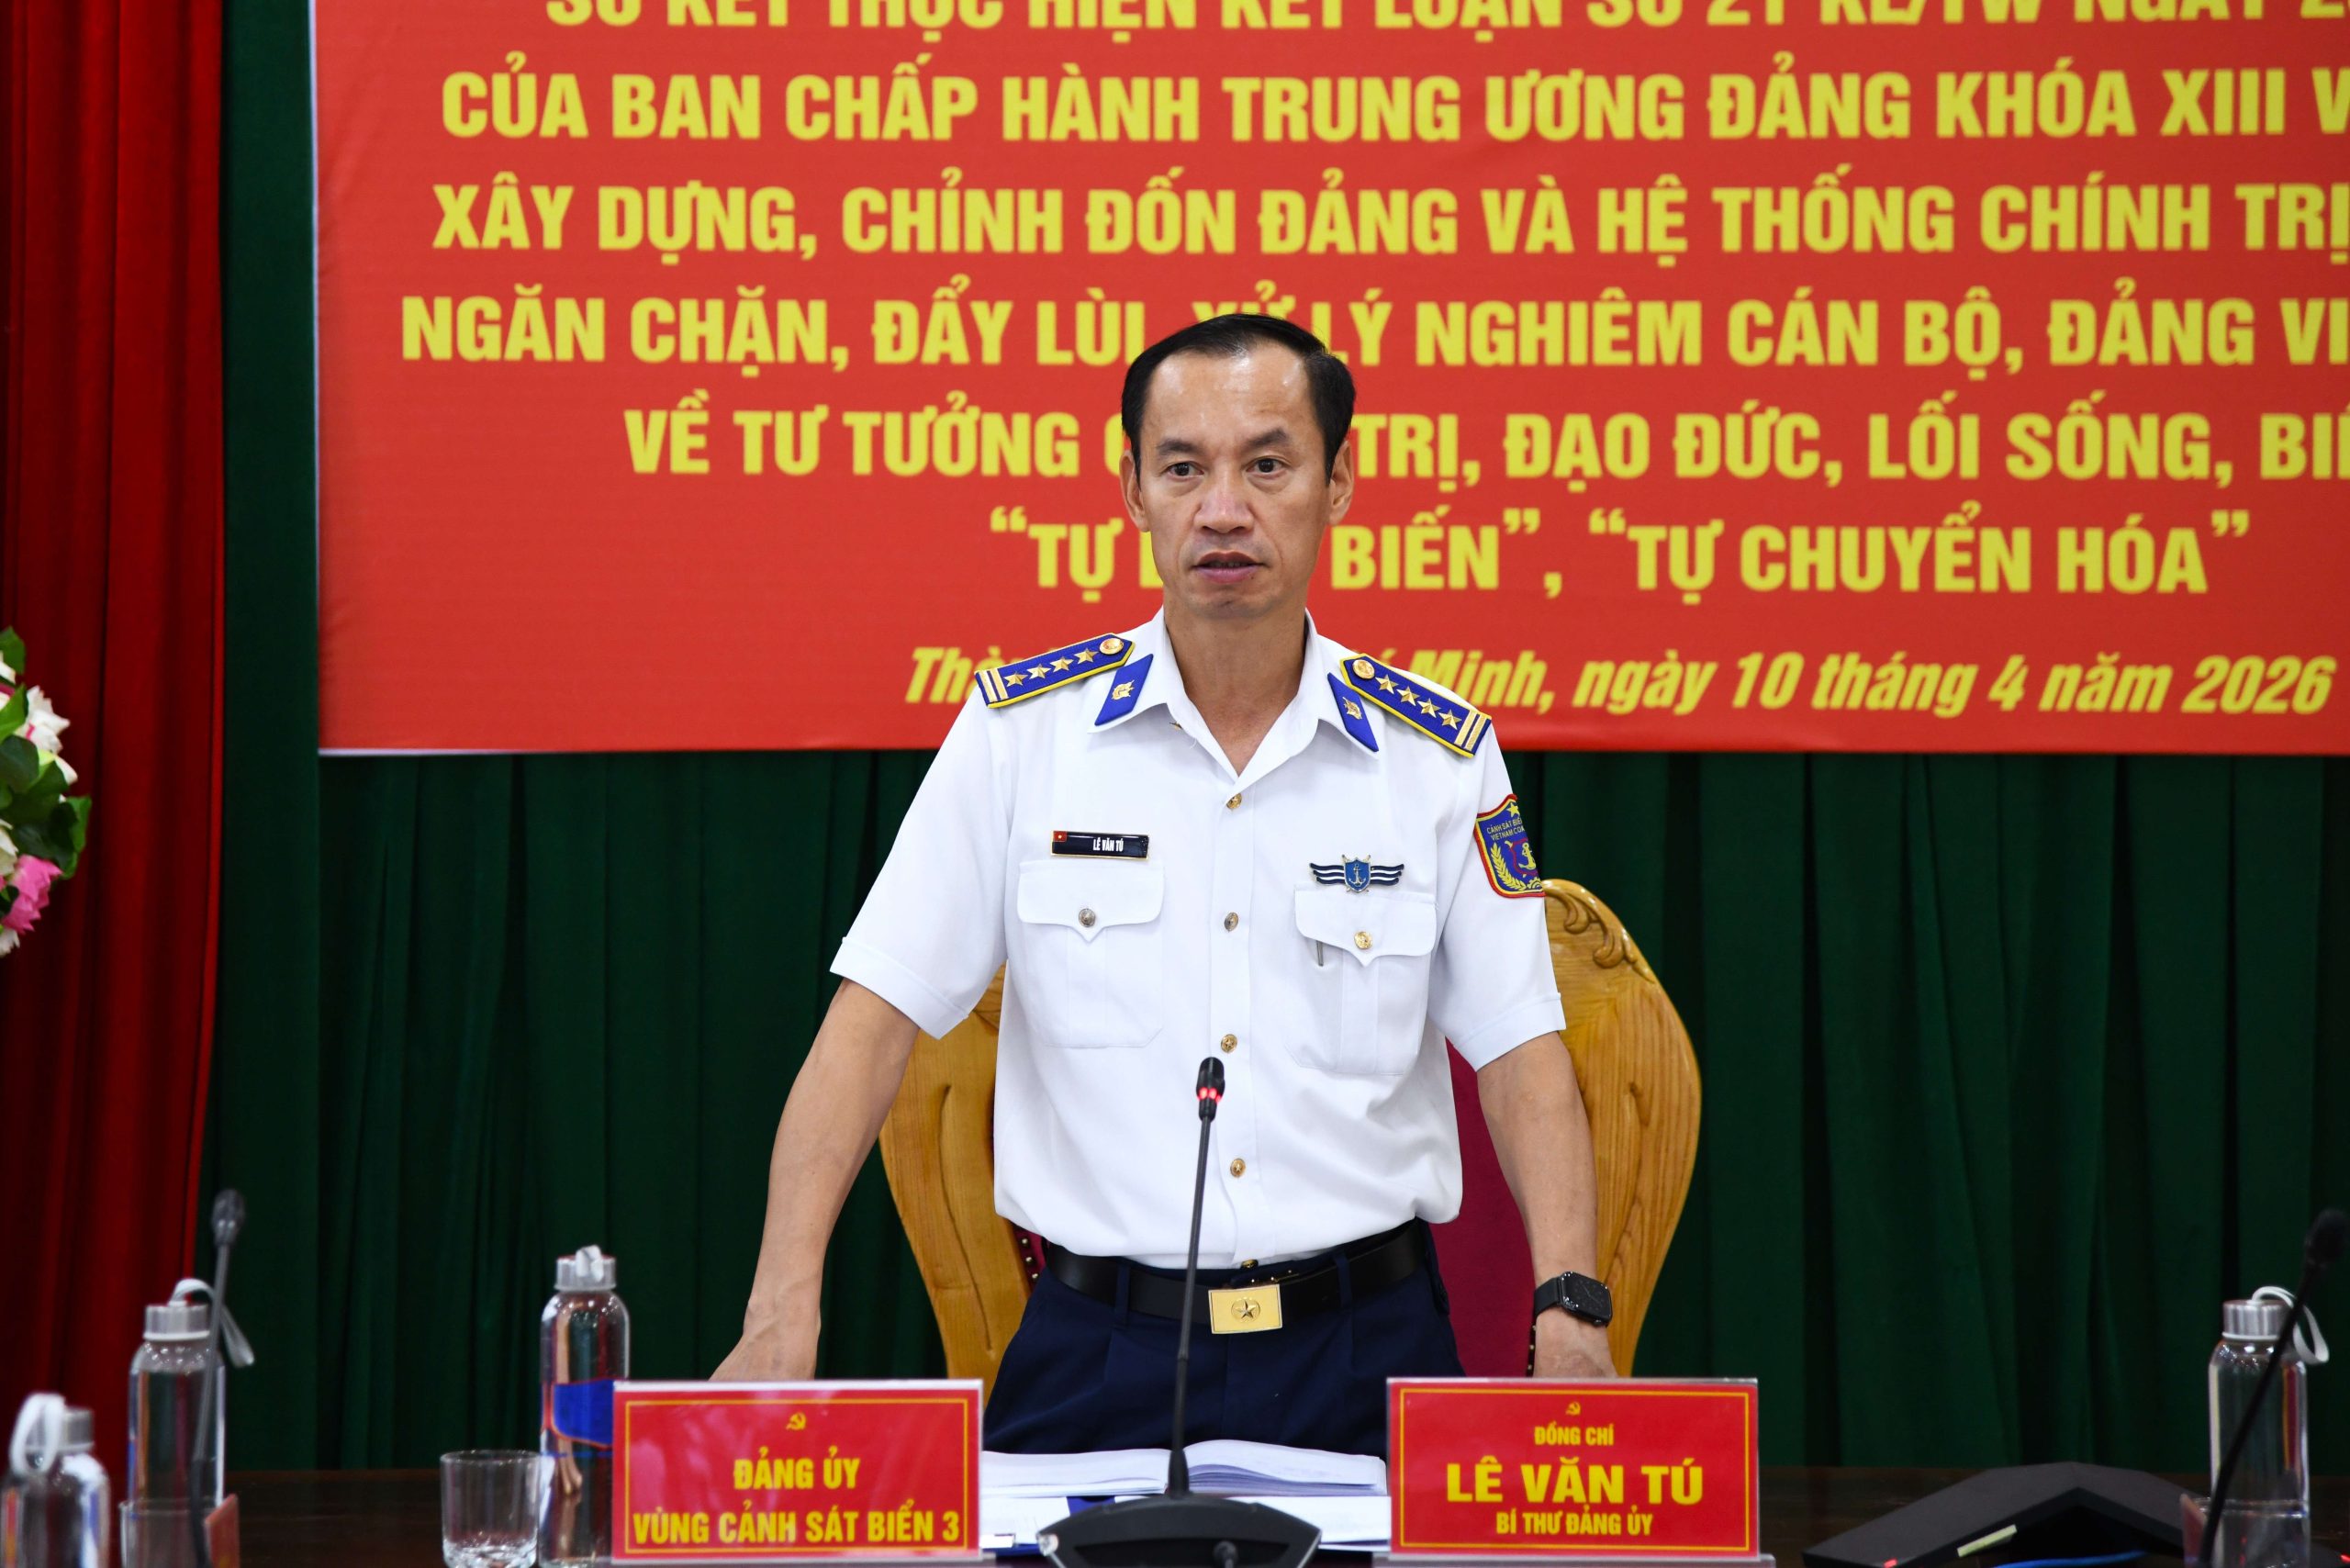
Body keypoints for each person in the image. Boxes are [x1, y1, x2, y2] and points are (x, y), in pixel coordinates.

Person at [713, 314, 1617, 1457]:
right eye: (1183, 468)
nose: (1223, 509)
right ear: (1133, 490)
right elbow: (871, 1023)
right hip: (1098, 1354)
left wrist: (1570, 1313)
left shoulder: (1436, 756)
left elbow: (1522, 1053)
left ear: (1338, 483)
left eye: (1267, 465)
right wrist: (780, 1308)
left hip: (1366, 1353)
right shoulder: (1021, 737)